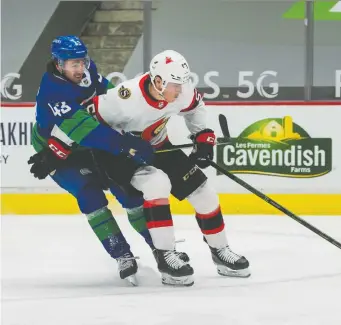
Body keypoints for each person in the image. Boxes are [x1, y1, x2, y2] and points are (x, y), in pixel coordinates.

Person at [83, 49, 251, 286]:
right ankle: (166, 256)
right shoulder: (125, 97)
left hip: (158, 146)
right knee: (157, 183)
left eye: (183, 83)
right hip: (121, 156)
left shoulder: (181, 92)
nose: (181, 90)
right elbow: (86, 122)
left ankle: (220, 251)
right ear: (158, 81)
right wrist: (119, 143)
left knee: (204, 193)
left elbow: (195, 108)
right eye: (175, 84)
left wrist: (202, 136)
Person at [28, 35, 172, 286]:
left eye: (82, 61)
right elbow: (87, 131)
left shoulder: (87, 70)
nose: (80, 68)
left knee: (127, 190)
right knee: (90, 195)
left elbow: (107, 97)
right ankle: (121, 254)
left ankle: (160, 248)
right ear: (58, 63)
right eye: (72, 64)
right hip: (58, 152)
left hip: (91, 142)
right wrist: (127, 145)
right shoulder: (54, 92)